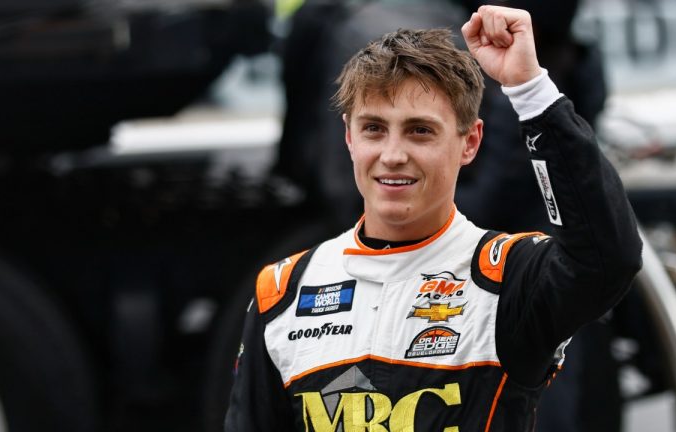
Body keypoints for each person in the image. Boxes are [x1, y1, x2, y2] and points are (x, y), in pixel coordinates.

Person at [225, 5, 642, 431]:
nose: (392, 155)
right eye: (374, 129)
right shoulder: (282, 294)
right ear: (348, 137)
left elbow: (607, 258)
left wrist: (530, 90)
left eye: (420, 131)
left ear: (469, 142)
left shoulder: (508, 281)